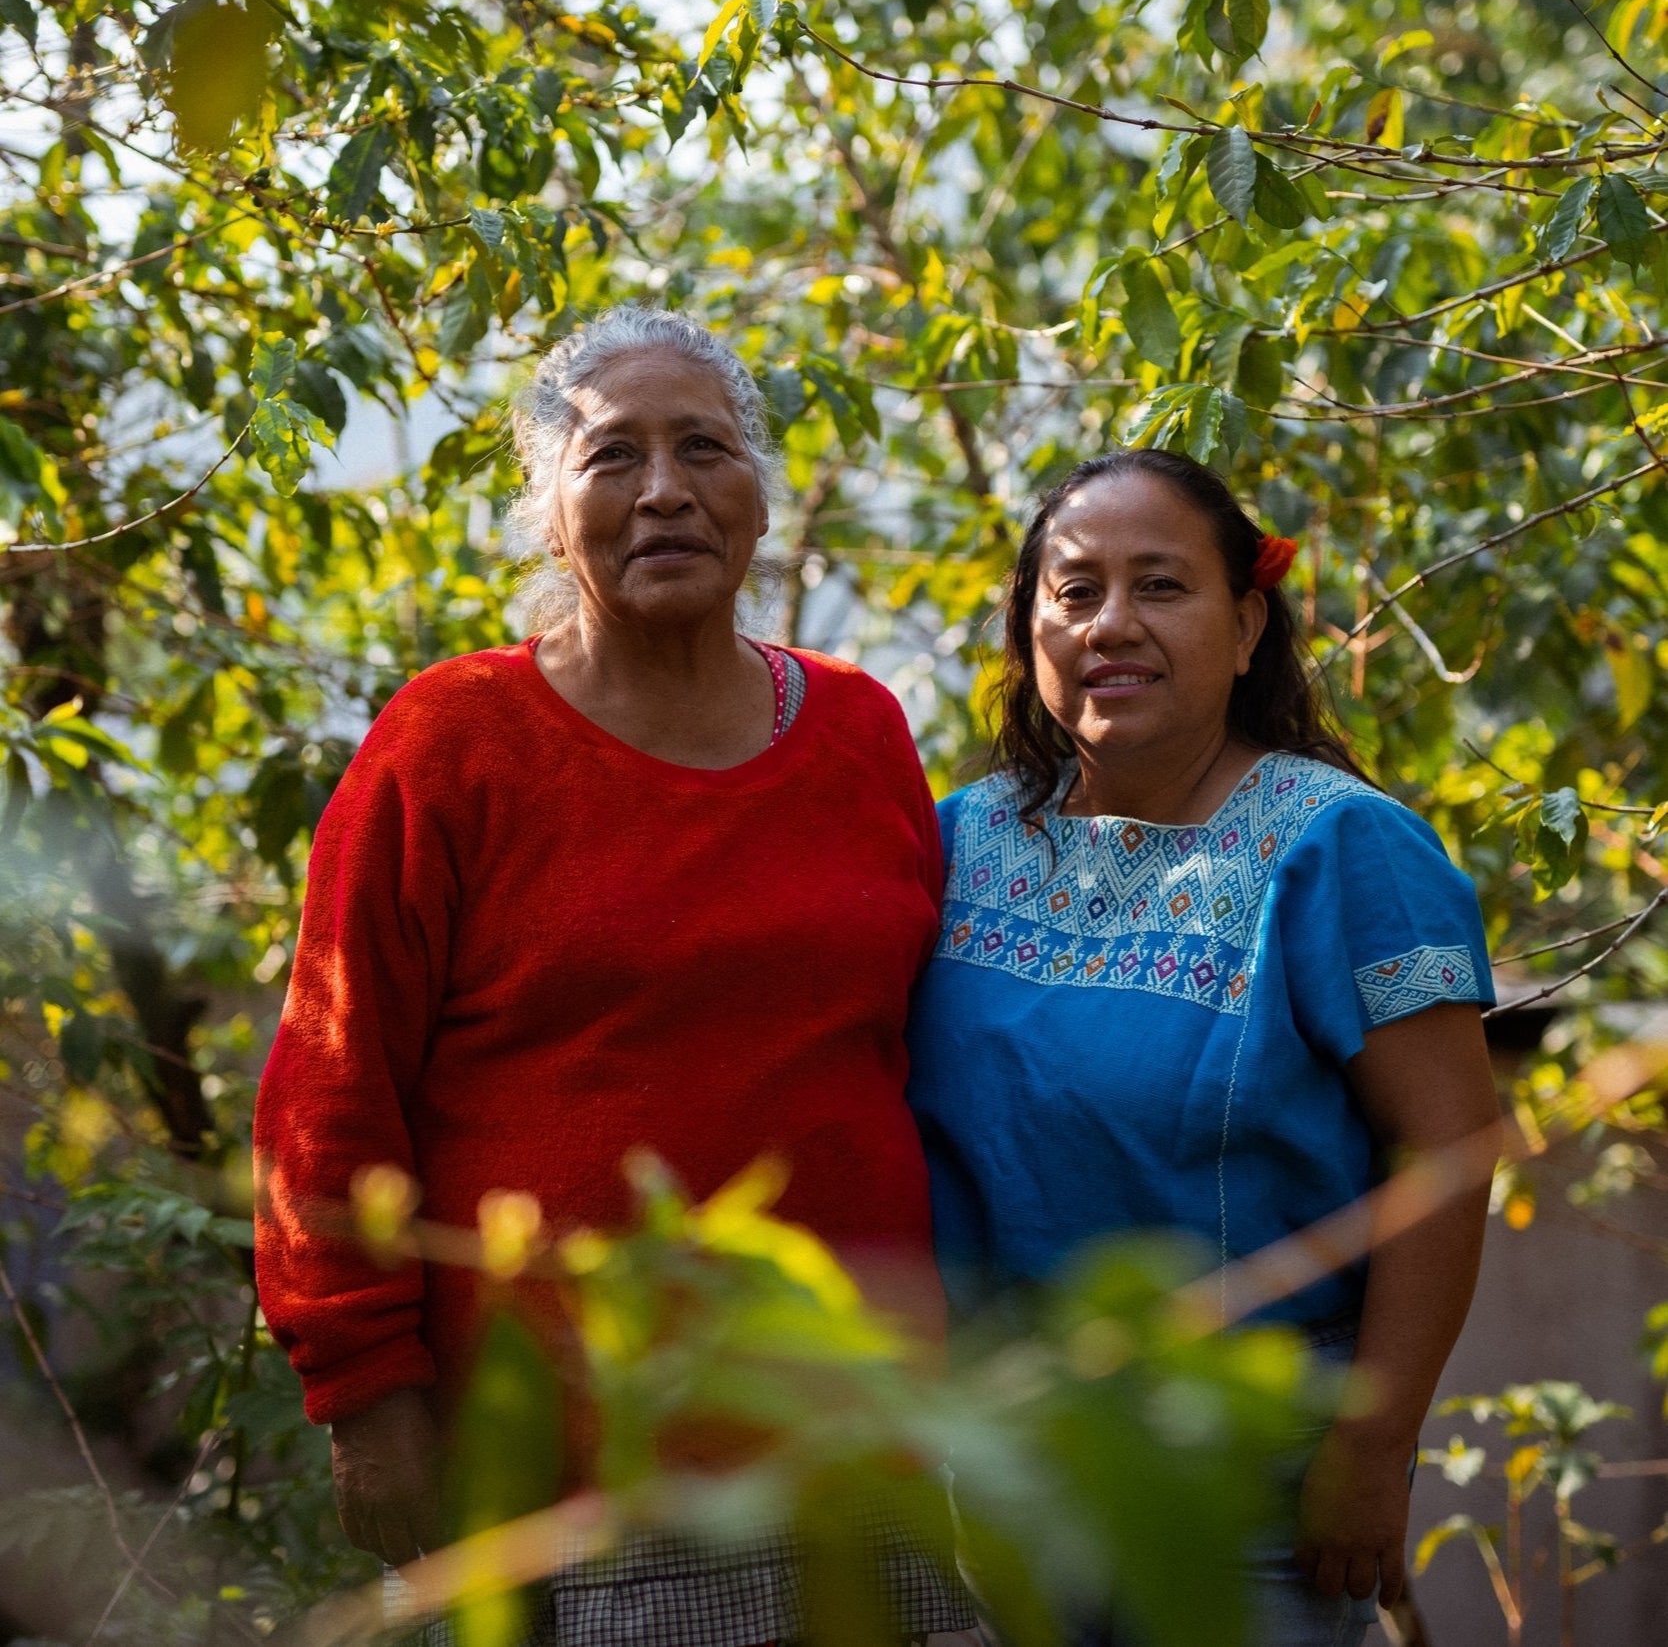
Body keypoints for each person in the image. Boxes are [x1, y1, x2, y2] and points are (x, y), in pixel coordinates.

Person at [253, 307, 974, 1646]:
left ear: (758, 499)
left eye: (703, 447)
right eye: (611, 457)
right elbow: (327, 1088)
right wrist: (364, 1391)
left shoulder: (863, 730)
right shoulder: (451, 742)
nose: (664, 490)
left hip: (861, 1444)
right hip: (579, 1474)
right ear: (550, 514)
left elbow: (917, 1049)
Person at [904, 449, 1499, 1647]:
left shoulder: (1341, 849)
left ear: (1245, 625)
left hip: (1251, 1489)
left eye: (1161, 586)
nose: (1111, 624)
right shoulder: (954, 839)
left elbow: (1451, 1143)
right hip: (1007, 1480)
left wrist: (1376, 1445)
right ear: (1030, 631)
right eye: (1074, 592)